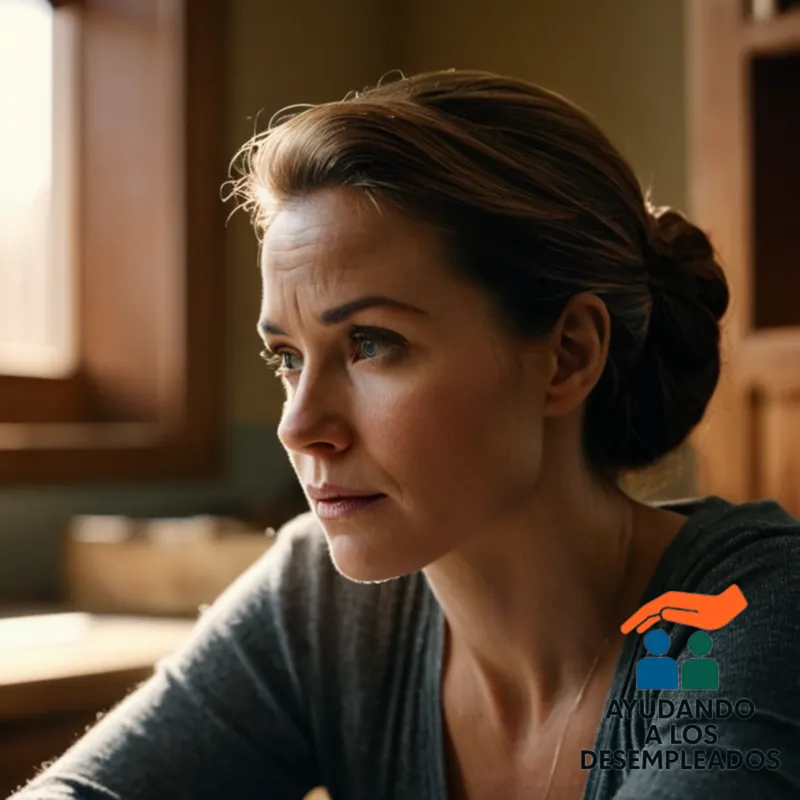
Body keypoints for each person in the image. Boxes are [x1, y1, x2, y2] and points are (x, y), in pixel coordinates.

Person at [11, 68, 800, 800]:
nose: (298, 426)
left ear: (568, 356)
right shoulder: (321, 604)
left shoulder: (750, 613)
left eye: (370, 344)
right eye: (286, 357)